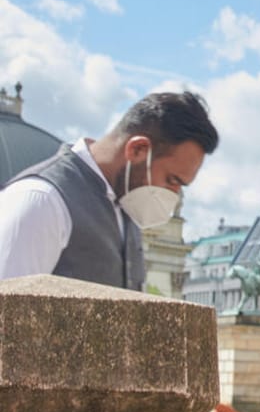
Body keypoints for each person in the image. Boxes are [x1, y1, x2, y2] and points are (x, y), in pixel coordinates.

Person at [0, 90, 219, 291]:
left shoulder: (125, 207)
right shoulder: (41, 200)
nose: (174, 194)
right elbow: (7, 319)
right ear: (138, 149)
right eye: (172, 180)